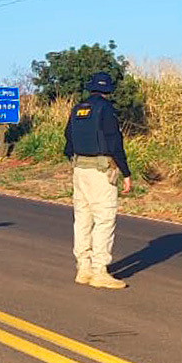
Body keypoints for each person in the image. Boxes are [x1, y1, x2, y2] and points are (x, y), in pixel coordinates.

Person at [64, 72, 132, 290]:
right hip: (101, 171)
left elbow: (68, 139)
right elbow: (114, 142)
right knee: (104, 219)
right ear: (108, 90)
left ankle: (83, 268)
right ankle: (99, 270)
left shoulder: (78, 109)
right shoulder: (106, 110)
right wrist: (126, 172)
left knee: (83, 218)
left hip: (79, 169)